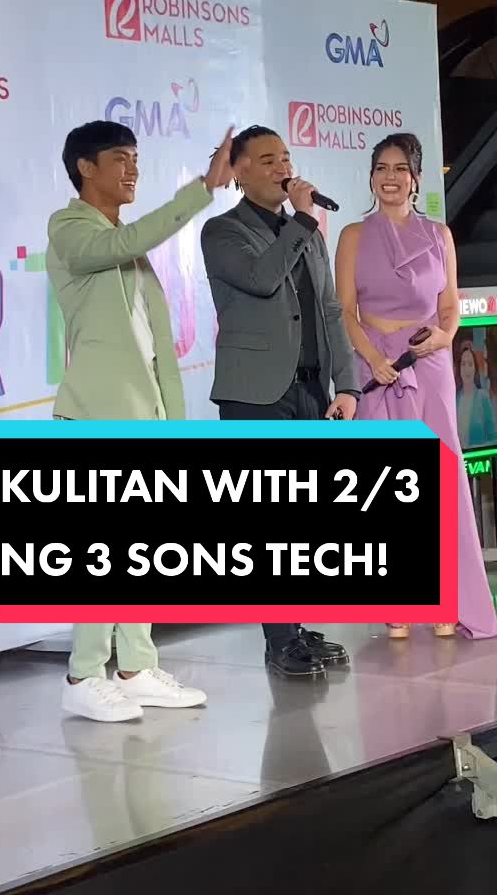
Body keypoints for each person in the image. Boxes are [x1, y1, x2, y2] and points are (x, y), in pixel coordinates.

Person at [46, 119, 234, 721]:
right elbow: (122, 244)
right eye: (121, 158)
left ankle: (135, 668)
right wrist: (201, 190)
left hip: (142, 417)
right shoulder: (70, 229)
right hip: (94, 416)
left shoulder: (128, 245)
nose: (133, 169)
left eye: (136, 157)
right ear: (86, 168)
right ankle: (83, 676)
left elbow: (157, 352)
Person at [200, 124, 359, 679]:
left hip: (310, 389)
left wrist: (347, 384)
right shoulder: (223, 231)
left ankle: (294, 625)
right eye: (267, 160)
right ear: (240, 171)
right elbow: (262, 278)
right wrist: (303, 221)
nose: (281, 168)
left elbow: (331, 310)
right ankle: (279, 640)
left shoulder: (304, 231)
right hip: (255, 395)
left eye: (285, 157)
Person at [335, 131, 497, 641]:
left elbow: (450, 307)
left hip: (429, 365)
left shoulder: (439, 235)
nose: (390, 177)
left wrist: (444, 338)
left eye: (400, 168)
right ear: (372, 178)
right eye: (381, 168)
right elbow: (344, 312)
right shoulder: (353, 236)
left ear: (416, 178)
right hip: (375, 368)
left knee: (442, 482)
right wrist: (372, 360)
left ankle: (451, 599)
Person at [455, 342, 496, 448]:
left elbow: (493, 439)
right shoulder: (455, 399)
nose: (467, 369)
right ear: (459, 368)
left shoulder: (483, 397)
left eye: (470, 364)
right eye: (463, 364)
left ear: (475, 368)